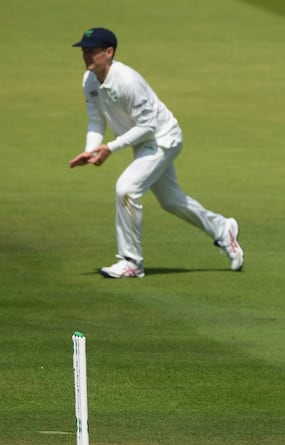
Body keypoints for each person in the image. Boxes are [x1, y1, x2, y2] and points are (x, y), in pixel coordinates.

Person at [68, 27, 243, 278]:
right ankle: (222, 229)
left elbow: (148, 126)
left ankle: (131, 261)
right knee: (172, 201)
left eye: (92, 51)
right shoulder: (89, 79)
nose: (86, 55)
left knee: (126, 189)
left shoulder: (127, 81)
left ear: (109, 52)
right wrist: (90, 150)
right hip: (142, 140)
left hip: (162, 139)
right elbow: (96, 119)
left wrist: (111, 148)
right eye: (84, 50)